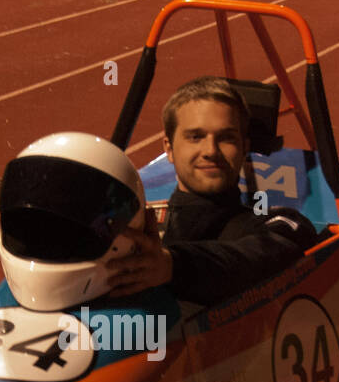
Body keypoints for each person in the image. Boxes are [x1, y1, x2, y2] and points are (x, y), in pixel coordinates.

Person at [105, 76, 307, 305]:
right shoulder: (135, 227)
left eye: (226, 138)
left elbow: (262, 257)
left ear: (245, 147)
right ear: (169, 148)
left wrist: (172, 265)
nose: (210, 150)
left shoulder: (275, 225)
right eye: (195, 137)